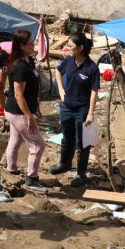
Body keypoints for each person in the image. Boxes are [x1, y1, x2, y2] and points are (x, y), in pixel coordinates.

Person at [49, 32, 101, 187]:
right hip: (67, 106)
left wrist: (90, 113)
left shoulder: (92, 68)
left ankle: (81, 173)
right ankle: (64, 163)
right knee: (67, 137)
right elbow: (58, 71)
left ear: (80, 48)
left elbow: (94, 91)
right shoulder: (68, 61)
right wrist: (61, 90)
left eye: (70, 46)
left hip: (82, 109)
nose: (67, 48)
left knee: (83, 141)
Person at [3, 29, 47, 193]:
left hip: (18, 110)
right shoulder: (20, 67)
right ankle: (32, 179)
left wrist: (36, 106)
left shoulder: (28, 61)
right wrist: (29, 116)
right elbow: (18, 94)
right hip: (18, 112)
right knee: (38, 145)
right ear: (21, 46)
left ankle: (11, 170)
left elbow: (31, 89)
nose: (33, 45)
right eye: (30, 43)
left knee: (15, 140)